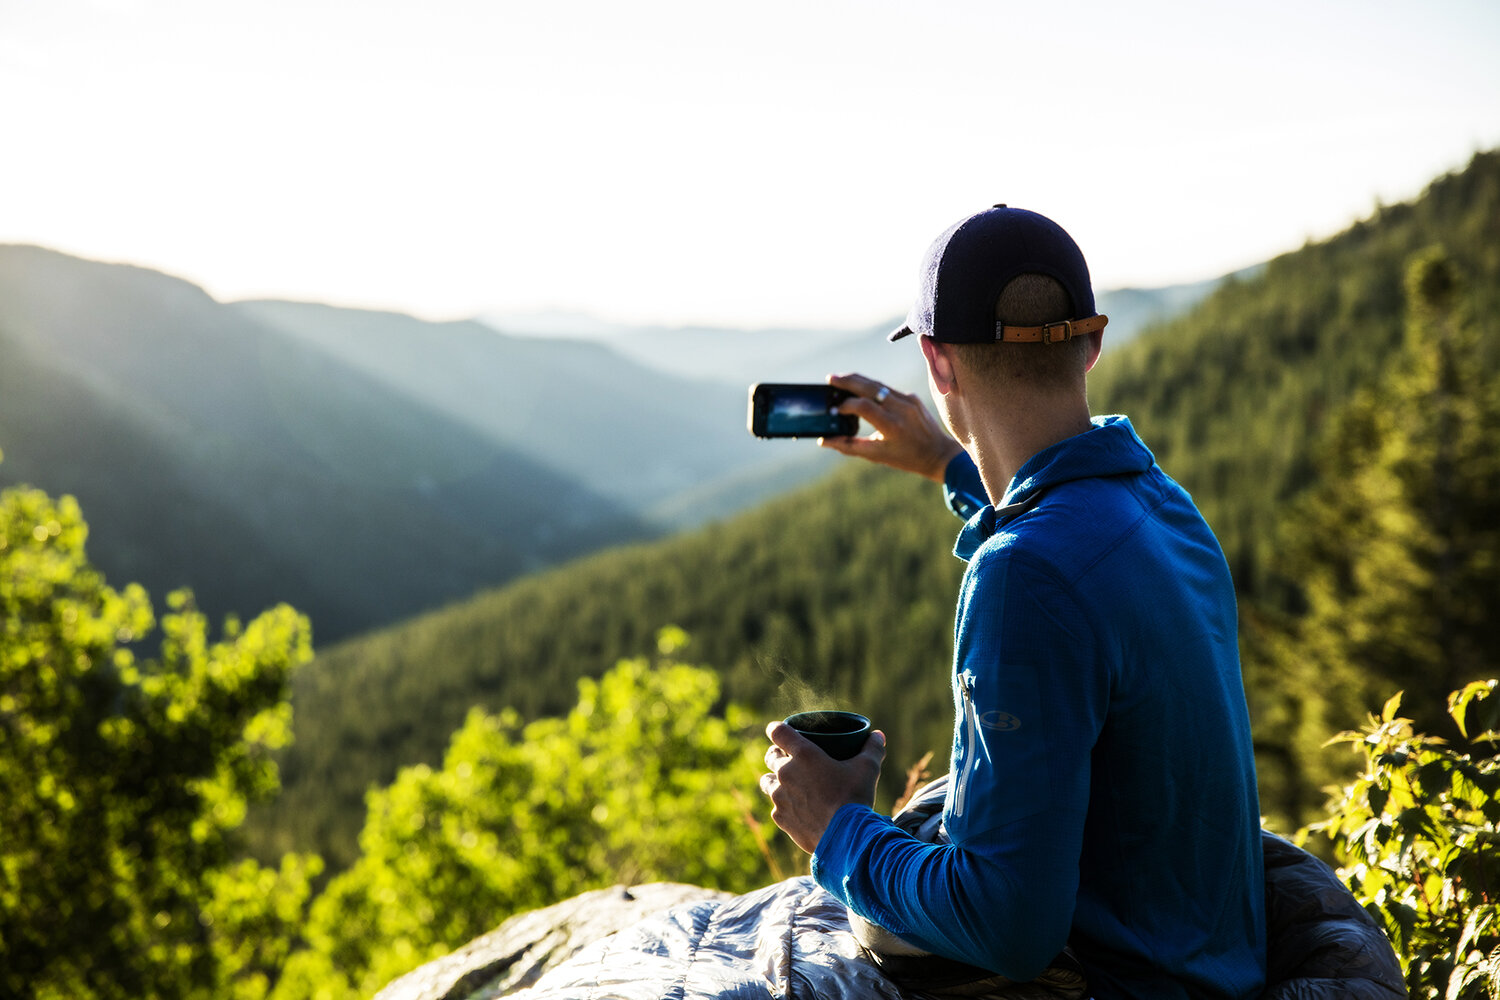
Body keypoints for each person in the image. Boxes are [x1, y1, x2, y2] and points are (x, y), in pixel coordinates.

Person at [759, 205, 1267, 998]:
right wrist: (948, 464)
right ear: (1092, 342)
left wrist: (836, 827)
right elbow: (1080, 543)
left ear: (938, 363)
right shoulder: (1164, 506)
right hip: (1212, 962)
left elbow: (1008, 926)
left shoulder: (1021, 576)